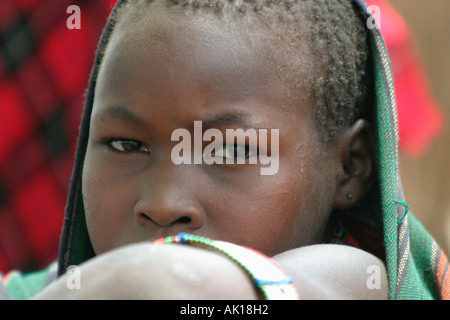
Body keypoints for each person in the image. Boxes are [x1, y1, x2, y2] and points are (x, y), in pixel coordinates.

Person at [1, 0, 448, 300]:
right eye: (126, 144)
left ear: (351, 168)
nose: (162, 203)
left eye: (229, 151)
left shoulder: (351, 280)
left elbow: (166, 285)